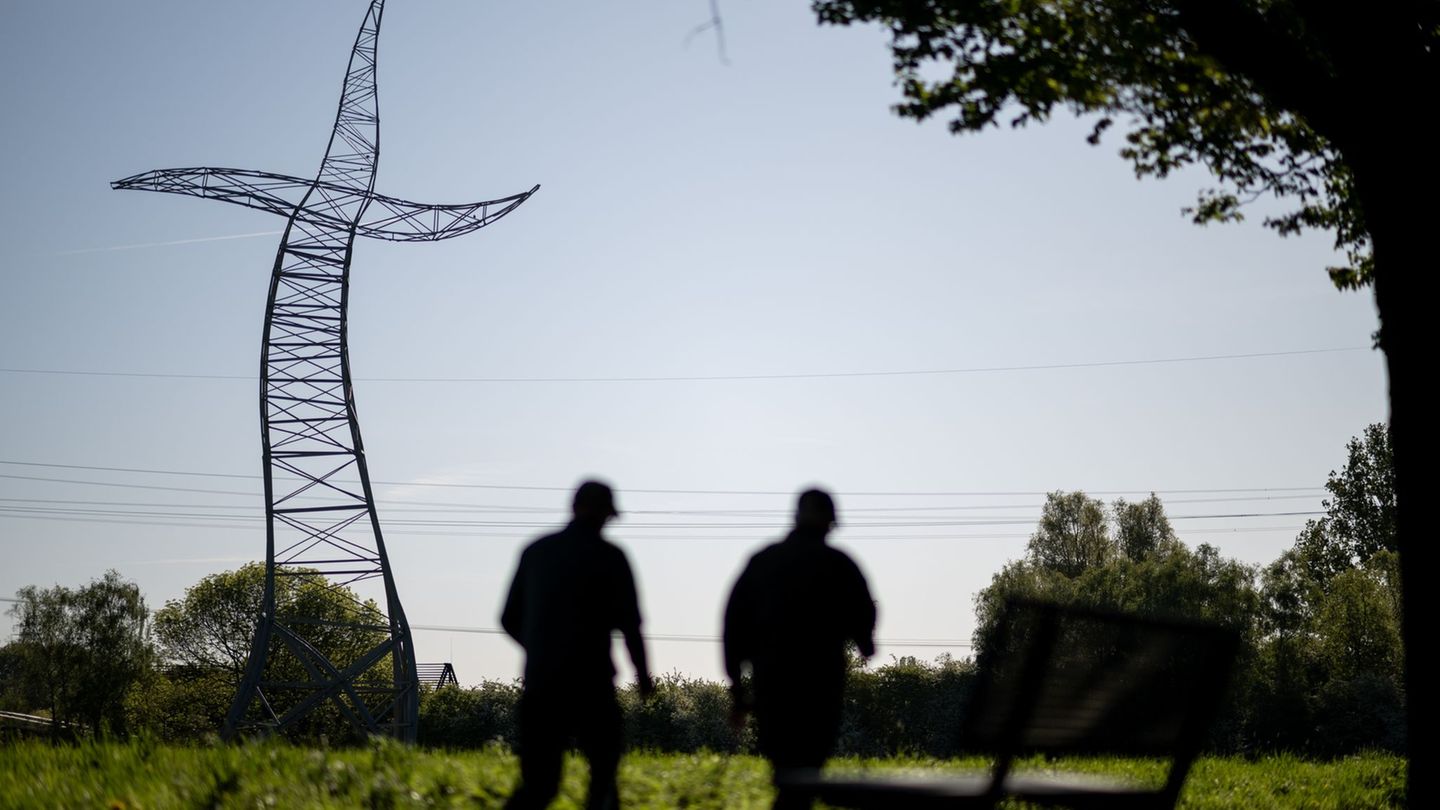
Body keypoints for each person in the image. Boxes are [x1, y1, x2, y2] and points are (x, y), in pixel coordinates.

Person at [501, 479, 654, 810]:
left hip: (542, 683)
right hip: (593, 683)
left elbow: (507, 618)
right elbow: (631, 625)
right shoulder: (611, 557)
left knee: (538, 786)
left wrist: (542, 648)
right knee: (603, 781)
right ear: (605, 515)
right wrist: (643, 676)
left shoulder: (536, 551)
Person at [722, 487, 877, 810]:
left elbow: (732, 625)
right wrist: (865, 642)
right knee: (807, 772)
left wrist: (738, 689)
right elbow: (864, 612)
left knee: (787, 774)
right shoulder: (839, 564)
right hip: (821, 687)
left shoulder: (762, 561)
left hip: (772, 686)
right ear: (830, 523)